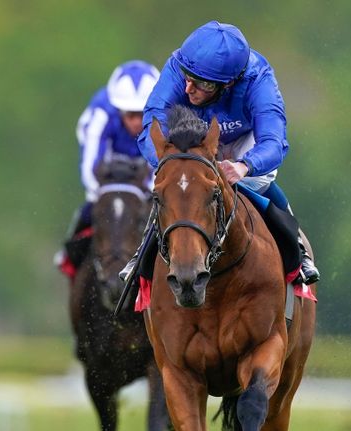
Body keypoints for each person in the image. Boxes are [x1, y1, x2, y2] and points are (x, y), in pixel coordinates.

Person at [123, 20, 319, 285]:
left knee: (257, 181)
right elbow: (152, 125)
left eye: (201, 84)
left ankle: (296, 246)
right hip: (195, 138)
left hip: (243, 141)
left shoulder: (259, 80)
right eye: (187, 79)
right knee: (177, 185)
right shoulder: (180, 68)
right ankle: (142, 255)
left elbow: (274, 143)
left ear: (227, 85)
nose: (187, 89)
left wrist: (243, 166)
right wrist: (168, 159)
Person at [55, 60, 159, 277]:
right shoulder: (101, 113)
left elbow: (163, 162)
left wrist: (149, 190)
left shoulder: (163, 115)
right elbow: (90, 165)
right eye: (130, 115)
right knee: (88, 212)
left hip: (144, 176)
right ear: (118, 109)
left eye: (142, 114)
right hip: (110, 175)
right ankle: (69, 256)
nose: (137, 122)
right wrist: (99, 193)